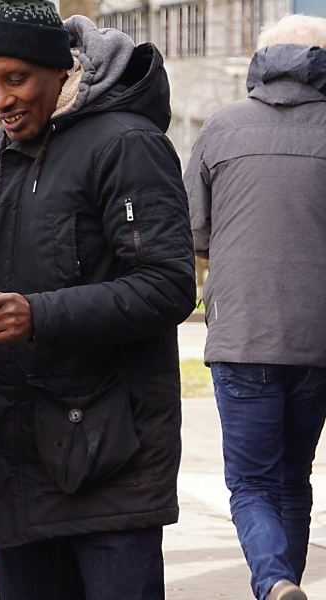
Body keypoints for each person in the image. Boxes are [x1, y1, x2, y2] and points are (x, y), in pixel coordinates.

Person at [0, 2, 196, 598]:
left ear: (62, 69)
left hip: (109, 457)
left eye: (16, 79)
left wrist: (39, 315)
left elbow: (168, 286)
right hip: (20, 452)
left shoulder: (128, 144)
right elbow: (2, 280)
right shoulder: (0, 152)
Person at [184, 15, 326, 600]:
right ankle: (285, 585)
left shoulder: (221, 127)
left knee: (251, 482)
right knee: (294, 479)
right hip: (317, 341)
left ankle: (273, 582)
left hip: (242, 334)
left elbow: (192, 232)